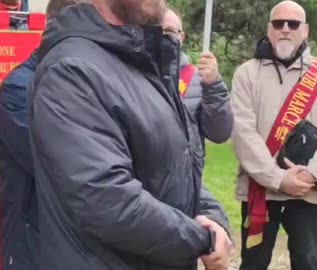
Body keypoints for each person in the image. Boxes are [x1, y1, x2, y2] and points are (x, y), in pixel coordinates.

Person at [27, 1, 232, 270]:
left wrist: (211, 215)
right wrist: (201, 238)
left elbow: (174, 165)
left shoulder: (140, 59)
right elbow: (104, 199)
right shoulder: (72, 69)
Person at [231, 1, 317, 269]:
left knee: (307, 262)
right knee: (253, 263)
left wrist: (311, 174)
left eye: (293, 24)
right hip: (260, 189)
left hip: (305, 191)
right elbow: (242, 132)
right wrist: (278, 179)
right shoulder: (246, 74)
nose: (285, 29)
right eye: (278, 23)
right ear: (269, 29)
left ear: (305, 30)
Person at [0, 1, 91, 269]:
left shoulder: (74, 81)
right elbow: (57, 163)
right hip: (30, 238)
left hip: (67, 235)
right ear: (54, 29)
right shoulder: (18, 89)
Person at [161, 7, 233, 151]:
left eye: (170, 31)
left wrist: (213, 86)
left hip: (185, 172)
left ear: (181, 37)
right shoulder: (131, 75)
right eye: (157, 30)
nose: (163, 37)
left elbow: (219, 134)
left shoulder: (200, 80)